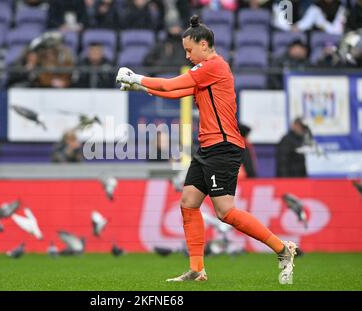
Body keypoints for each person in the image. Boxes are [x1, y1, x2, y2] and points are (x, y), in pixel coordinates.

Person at [116, 15, 297, 283]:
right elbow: (175, 93)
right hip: (208, 147)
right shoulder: (205, 71)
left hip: (223, 146)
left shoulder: (213, 66)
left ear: (204, 44)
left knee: (225, 212)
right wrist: (138, 86)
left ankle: (282, 249)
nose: (187, 56)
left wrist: (137, 77)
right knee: (188, 202)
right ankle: (197, 269)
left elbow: (169, 85)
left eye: (189, 50)